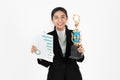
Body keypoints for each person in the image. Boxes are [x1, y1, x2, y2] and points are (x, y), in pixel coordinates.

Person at [31, 7, 85, 80]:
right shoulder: (47, 37)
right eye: (56, 17)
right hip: (55, 76)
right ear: (52, 20)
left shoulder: (74, 34)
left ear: (67, 18)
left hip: (73, 75)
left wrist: (80, 53)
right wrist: (39, 54)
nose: (60, 20)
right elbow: (46, 63)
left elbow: (79, 59)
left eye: (62, 17)